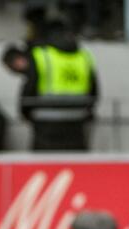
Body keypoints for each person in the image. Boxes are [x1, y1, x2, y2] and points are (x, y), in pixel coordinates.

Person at [12, 16, 98, 151]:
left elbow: (28, 89)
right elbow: (94, 92)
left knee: (46, 167)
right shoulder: (84, 56)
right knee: (75, 168)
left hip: (45, 126)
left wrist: (25, 113)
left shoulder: (41, 55)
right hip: (77, 124)